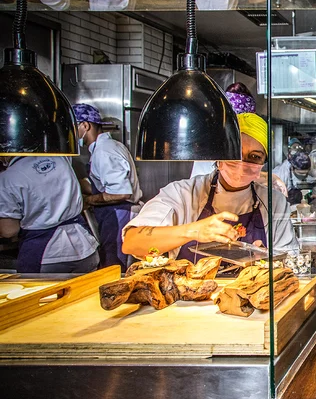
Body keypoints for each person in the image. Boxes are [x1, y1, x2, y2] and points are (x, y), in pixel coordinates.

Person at [122, 113, 298, 261]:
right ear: (219, 155)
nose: (242, 164)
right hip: (188, 300)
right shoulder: (183, 194)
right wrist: (192, 231)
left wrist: (265, 261)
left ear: (263, 163)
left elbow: (290, 260)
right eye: (234, 154)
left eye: (254, 157)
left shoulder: (273, 202)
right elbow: (132, 242)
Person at [0, 156, 99, 273]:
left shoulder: (7, 178)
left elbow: (9, 231)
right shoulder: (62, 158)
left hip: (46, 254)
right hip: (84, 246)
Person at [74, 103, 142, 271]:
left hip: (119, 215)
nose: (72, 134)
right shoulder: (105, 148)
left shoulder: (104, 151)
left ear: (85, 125)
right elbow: (106, 185)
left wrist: (88, 200)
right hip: (114, 214)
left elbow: (121, 193)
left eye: (73, 127)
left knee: (115, 268)